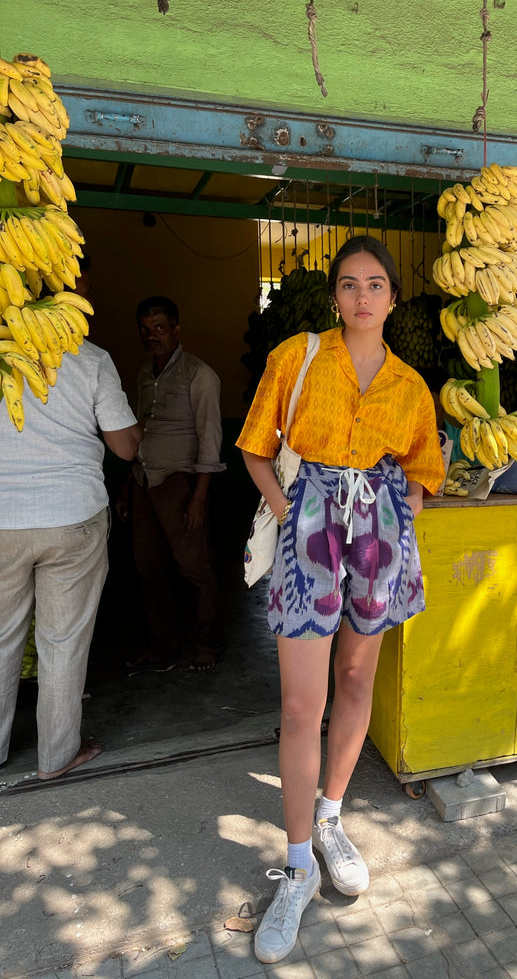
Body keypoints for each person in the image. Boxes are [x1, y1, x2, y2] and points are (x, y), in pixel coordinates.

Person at [236, 235, 445, 964]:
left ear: (392, 297)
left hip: (378, 532)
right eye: (350, 284)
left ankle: (330, 818)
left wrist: (400, 516)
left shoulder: (411, 385)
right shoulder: (297, 358)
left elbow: (424, 465)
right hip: (312, 527)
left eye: (376, 284)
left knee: (356, 679)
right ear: (336, 294)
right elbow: (256, 445)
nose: (363, 296)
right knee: (301, 704)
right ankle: (295, 866)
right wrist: (293, 509)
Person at [0, 339, 142, 780]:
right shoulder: (91, 358)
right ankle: (57, 757)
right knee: (62, 644)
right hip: (72, 516)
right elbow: (125, 447)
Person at [120, 296, 226, 672]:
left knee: (195, 567)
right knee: (149, 567)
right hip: (144, 482)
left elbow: (211, 440)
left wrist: (198, 497)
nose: (152, 336)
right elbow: (139, 429)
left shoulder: (200, 375)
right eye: (146, 330)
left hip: (180, 484)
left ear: (176, 329)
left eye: (160, 328)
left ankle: (208, 642)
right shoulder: (144, 373)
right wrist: (128, 485)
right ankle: (163, 645)